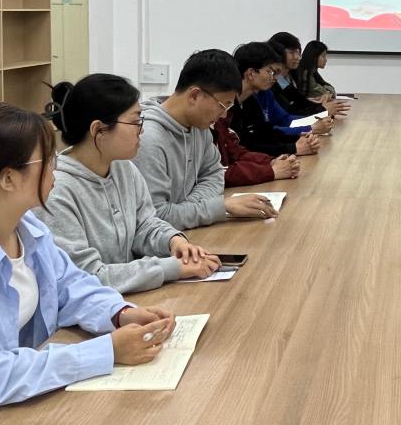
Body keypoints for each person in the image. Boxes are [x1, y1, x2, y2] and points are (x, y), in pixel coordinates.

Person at [0, 102, 174, 425]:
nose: (55, 171)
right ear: (8, 178)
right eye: (47, 161)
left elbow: (69, 286)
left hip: (21, 404)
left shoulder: (27, 228)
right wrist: (105, 351)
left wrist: (119, 313)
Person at [36, 75, 221, 293]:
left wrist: (173, 241)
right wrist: (170, 268)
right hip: (93, 308)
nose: (141, 130)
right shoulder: (56, 191)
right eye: (135, 122)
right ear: (98, 130)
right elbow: (86, 276)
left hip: (126, 299)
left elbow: (144, 225)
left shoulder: (124, 169)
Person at [132, 49, 278, 229]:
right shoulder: (147, 138)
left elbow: (214, 175)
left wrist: (189, 209)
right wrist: (218, 207)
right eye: (223, 105)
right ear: (194, 95)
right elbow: (156, 217)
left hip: (187, 232)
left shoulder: (199, 127)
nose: (223, 115)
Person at [226, 42, 320, 161]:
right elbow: (246, 146)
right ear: (250, 73)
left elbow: (266, 132)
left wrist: (298, 136)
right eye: (271, 72)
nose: (275, 78)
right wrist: (294, 147)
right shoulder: (227, 106)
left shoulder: (252, 100)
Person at [268, 32, 349, 118]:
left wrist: (316, 104)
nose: (298, 57)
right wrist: (322, 110)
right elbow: (287, 111)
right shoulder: (271, 80)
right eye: (292, 52)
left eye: (298, 52)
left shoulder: (281, 79)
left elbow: (296, 98)